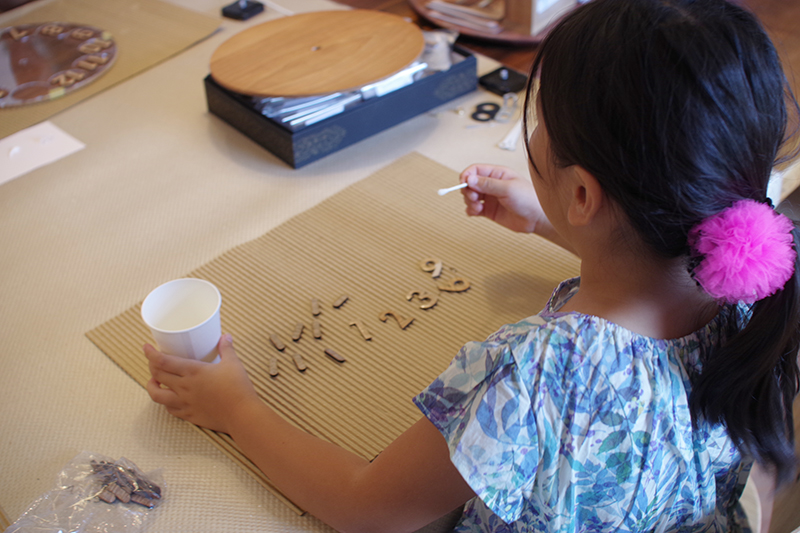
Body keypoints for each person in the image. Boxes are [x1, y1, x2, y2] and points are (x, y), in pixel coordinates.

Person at [144, 0, 800, 531]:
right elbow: (651, 273)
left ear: (583, 195)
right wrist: (546, 220)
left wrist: (236, 407)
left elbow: (367, 504)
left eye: (542, 118)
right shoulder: (753, 291)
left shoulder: (542, 372)